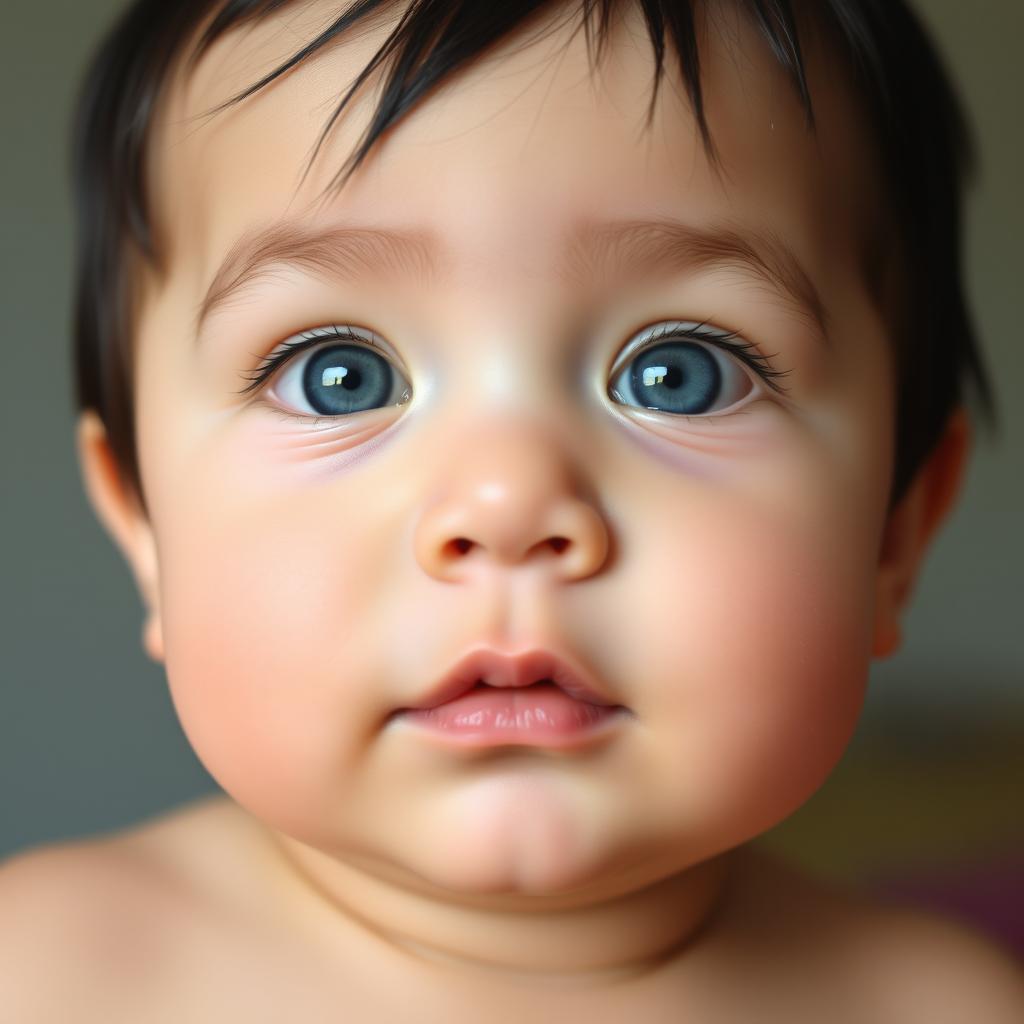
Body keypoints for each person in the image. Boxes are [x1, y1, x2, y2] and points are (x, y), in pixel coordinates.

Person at [2, 0, 1021, 1018]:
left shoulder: (945, 1002)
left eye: (680, 375)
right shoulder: (47, 971)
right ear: (143, 526)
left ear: (896, 529)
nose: (506, 503)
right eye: (337, 376)